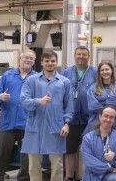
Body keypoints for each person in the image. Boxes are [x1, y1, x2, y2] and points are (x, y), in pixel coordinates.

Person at [20, 50, 73, 181]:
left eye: (53, 61)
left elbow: (69, 105)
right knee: (33, 165)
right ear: (41, 62)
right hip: (35, 127)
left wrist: (67, 124)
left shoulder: (64, 82)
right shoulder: (31, 81)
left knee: (57, 164)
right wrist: (38, 101)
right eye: (47, 61)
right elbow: (23, 100)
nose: (50, 63)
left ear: (56, 62)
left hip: (56, 127)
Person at [0, 50, 37, 181]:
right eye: (26, 57)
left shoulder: (37, 78)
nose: (28, 60)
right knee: (0, 154)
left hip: (28, 123)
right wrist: (0, 96)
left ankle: (23, 179)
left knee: (27, 157)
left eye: (31, 58)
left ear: (34, 61)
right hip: (7, 123)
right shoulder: (7, 75)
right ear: (20, 59)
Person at [62, 46, 98, 181]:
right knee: (70, 151)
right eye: (78, 54)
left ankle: (89, 177)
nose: (81, 57)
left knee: (89, 151)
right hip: (70, 120)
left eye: (84, 54)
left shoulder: (95, 72)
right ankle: (69, 177)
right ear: (74, 55)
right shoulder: (66, 72)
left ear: (89, 56)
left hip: (90, 120)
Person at [80, 107, 116, 181]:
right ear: (100, 116)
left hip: (111, 176)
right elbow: (89, 162)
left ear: (114, 120)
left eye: (111, 117)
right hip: (93, 175)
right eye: (106, 116)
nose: (108, 119)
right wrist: (110, 169)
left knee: (115, 179)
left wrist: (115, 157)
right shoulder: (88, 138)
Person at [86, 62, 116, 134]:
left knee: (113, 144)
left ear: (111, 70)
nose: (105, 72)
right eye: (102, 70)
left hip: (115, 124)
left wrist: (104, 102)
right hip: (96, 124)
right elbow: (92, 107)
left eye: (107, 69)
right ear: (99, 73)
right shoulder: (93, 88)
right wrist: (114, 102)